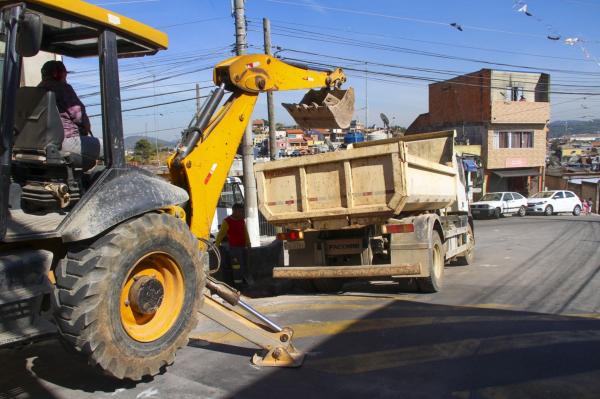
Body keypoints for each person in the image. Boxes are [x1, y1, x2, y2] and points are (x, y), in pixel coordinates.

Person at [38, 60, 102, 169]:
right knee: (111, 147)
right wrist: (86, 127)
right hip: (64, 142)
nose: (65, 77)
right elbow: (79, 117)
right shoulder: (62, 88)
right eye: (65, 74)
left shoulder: (36, 90)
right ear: (57, 74)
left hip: (40, 144)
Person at [215, 203, 253, 285]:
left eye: (242, 212)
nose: (242, 214)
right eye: (240, 211)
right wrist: (216, 246)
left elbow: (245, 232)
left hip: (243, 247)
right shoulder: (227, 221)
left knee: (244, 266)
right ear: (234, 211)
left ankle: (243, 282)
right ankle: (238, 285)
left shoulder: (241, 220)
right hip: (234, 249)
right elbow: (220, 235)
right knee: (237, 268)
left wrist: (249, 244)